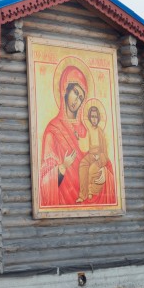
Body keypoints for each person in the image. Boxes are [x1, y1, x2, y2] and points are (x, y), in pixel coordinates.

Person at [39, 63, 89, 206]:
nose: (77, 100)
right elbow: (44, 182)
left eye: (81, 97)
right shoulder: (52, 130)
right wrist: (63, 166)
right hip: (62, 198)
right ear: (65, 90)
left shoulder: (85, 131)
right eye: (75, 92)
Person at [76, 101, 117, 205]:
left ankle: (91, 191)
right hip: (91, 155)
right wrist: (78, 138)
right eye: (92, 117)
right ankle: (82, 195)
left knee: (92, 169)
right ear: (89, 118)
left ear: (98, 118)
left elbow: (105, 150)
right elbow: (85, 146)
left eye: (95, 117)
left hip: (100, 156)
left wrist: (101, 159)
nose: (94, 119)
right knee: (82, 165)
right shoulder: (89, 130)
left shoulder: (100, 132)